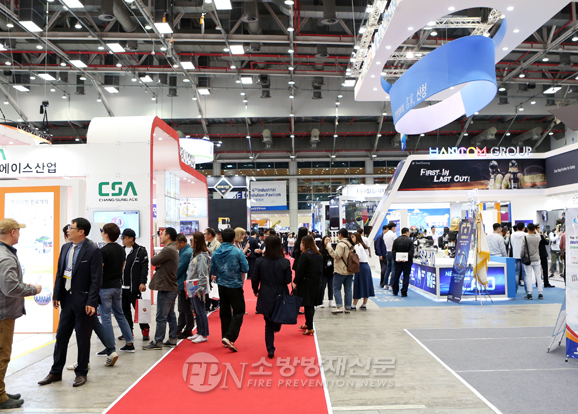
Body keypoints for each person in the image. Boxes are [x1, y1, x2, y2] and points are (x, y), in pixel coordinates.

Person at [39, 218, 103, 388]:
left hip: (84, 302)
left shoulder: (93, 250)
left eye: (71, 227)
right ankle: (55, 372)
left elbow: (96, 279)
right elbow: (60, 272)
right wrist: (56, 294)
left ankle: (81, 372)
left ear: (81, 231)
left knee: (83, 338)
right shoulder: (66, 247)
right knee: (61, 337)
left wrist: (92, 301)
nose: (68, 230)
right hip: (67, 300)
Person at [0, 219, 41, 409]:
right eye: (18, 230)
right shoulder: (6, 257)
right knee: (2, 355)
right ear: (13, 232)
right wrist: (33, 289)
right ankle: (0, 397)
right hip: (3, 314)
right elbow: (10, 288)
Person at [96, 223, 135, 358]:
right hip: (117, 285)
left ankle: (110, 347)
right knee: (120, 314)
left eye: (103, 232)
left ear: (106, 234)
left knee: (106, 317)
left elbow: (99, 269)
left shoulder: (103, 251)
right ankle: (129, 342)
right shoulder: (121, 249)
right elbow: (122, 267)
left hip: (105, 287)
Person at [251, 236, 292, 358]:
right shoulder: (285, 262)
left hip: (266, 292)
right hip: (280, 292)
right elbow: (288, 280)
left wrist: (255, 290)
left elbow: (255, 278)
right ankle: (276, 326)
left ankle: (270, 348)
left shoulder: (260, 261)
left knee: (268, 322)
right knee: (278, 316)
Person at [210, 228, 249, 352]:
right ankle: (230, 337)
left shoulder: (216, 252)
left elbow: (212, 270)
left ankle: (225, 336)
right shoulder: (237, 252)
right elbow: (245, 268)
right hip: (235, 285)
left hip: (221, 285)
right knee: (239, 311)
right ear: (233, 239)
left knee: (225, 311)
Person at [143, 227, 179, 350]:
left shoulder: (168, 250)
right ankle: (172, 338)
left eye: (162, 234)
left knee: (161, 317)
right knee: (170, 315)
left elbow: (154, 261)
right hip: (170, 286)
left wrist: (159, 260)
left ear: (168, 236)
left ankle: (158, 341)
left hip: (166, 287)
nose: (160, 236)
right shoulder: (173, 249)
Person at [120, 228, 150, 341]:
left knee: (140, 309)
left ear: (131, 238)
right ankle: (128, 332)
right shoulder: (121, 250)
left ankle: (145, 329)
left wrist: (143, 282)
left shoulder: (140, 251)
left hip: (134, 287)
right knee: (125, 311)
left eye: (124, 237)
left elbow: (144, 268)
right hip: (121, 287)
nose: (122, 239)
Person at [293, 236, 323, 335]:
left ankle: (310, 327)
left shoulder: (304, 256)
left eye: (302, 243)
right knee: (311, 304)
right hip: (317, 282)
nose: (301, 245)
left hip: (307, 283)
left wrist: (295, 282)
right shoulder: (318, 255)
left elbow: (300, 271)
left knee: (308, 305)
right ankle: (308, 323)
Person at [186, 232, 211, 344]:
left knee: (200, 311)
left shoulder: (201, 256)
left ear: (197, 242)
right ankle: (199, 332)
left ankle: (204, 334)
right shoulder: (195, 255)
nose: (190, 242)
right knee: (196, 310)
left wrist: (200, 288)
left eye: (192, 240)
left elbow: (203, 274)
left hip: (197, 286)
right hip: (192, 285)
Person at [325, 228, 354, 314]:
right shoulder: (350, 244)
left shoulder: (341, 244)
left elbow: (336, 255)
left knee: (336, 288)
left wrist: (329, 248)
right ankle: (348, 307)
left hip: (340, 269)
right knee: (348, 289)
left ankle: (340, 306)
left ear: (340, 234)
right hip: (350, 269)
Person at [175, 233, 194, 339]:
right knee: (183, 307)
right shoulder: (185, 251)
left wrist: (171, 277)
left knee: (185, 308)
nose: (176, 246)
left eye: (176, 244)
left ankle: (188, 329)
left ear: (182, 242)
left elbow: (179, 269)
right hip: (184, 283)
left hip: (184, 284)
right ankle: (181, 327)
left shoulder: (186, 253)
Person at [351, 233, 375, 310]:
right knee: (366, 285)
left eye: (353, 237)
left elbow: (358, 257)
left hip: (361, 267)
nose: (352, 239)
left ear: (357, 237)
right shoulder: (360, 245)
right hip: (365, 267)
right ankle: (364, 304)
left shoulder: (357, 246)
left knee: (358, 285)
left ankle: (354, 305)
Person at [521, 224, 543, 300]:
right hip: (537, 259)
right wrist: (535, 230)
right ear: (534, 229)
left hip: (528, 259)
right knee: (538, 276)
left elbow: (522, 249)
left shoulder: (525, 237)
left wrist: (522, 256)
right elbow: (538, 234)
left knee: (528, 276)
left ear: (527, 229)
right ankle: (540, 293)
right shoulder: (538, 237)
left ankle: (529, 294)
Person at [391, 227, 414, 297]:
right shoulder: (410, 241)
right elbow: (411, 252)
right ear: (407, 232)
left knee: (396, 276)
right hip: (407, 262)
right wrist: (407, 257)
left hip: (398, 262)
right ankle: (404, 292)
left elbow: (393, 251)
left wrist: (396, 258)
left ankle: (395, 291)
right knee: (406, 276)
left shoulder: (396, 240)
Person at [510, 222, 527, 292]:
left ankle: (515, 290)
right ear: (524, 228)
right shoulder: (526, 235)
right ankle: (527, 291)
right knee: (525, 273)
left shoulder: (512, 235)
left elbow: (512, 245)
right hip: (524, 256)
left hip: (515, 255)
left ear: (517, 228)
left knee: (516, 273)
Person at [319, 236, 335, 308]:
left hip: (331, 271)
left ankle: (331, 300)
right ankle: (321, 301)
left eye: (329, 240)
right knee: (322, 286)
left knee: (331, 287)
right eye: (326, 240)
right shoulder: (321, 250)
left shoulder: (332, 249)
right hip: (323, 271)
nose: (328, 241)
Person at [383, 223, 397, 290]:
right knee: (393, 269)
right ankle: (391, 285)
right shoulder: (393, 234)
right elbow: (396, 244)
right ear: (393, 227)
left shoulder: (385, 235)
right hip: (393, 252)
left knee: (388, 269)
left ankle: (385, 284)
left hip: (387, 252)